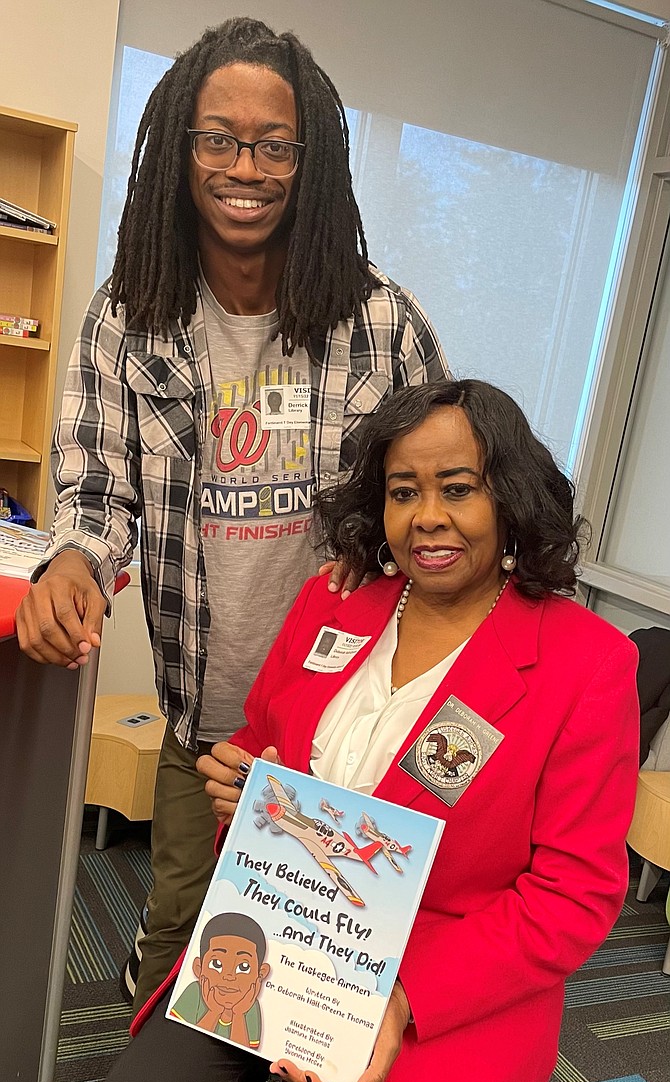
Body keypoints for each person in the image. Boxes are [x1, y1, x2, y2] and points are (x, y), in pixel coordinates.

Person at [91, 379, 639, 1082]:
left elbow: (574, 896)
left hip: (440, 984)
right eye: (402, 491)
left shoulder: (585, 665)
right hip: (286, 942)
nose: (427, 516)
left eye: (457, 488)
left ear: (511, 495)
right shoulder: (335, 603)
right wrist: (238, 791)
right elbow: (264, 745)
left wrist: (402, 1001)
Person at [14, 17, 449, 1011]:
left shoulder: (378, 322)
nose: (243, 166)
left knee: (312, 960)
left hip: (342, 728)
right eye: (217, 137)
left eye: (273, 143)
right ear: (179, 147)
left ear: (311, 160)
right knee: (182, 936)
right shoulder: (127, 314)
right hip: (202, 722)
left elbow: (441, 504)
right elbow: (94, 491)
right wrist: (74, 565)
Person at [168, 912, 270, 1046]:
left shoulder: (251, 1006)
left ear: (260, 973)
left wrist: (238, 1015)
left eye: (244, 967)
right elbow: (183, 1043)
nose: (229, 976)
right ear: (199, 968)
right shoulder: (195, 992)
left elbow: (243, 1053)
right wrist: (214, 1011)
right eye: (217, 964)